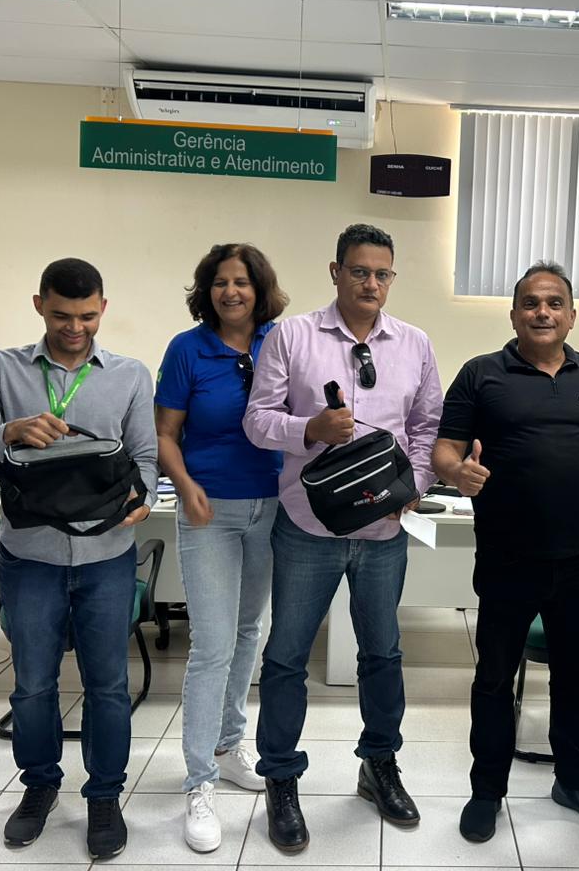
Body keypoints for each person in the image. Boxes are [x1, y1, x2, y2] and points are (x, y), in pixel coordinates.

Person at [0, 258, 157, 860]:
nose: (75, 327)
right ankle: (39, 787)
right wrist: (8, 432)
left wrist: (143, 497)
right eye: (62, 315)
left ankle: (104, 796)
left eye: (87, 316)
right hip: (30, 554)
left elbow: (145, 457)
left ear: (103, 309)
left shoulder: (129, 375)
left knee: (108, 686)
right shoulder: (1, 369)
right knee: (33, 684)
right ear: (39, 305)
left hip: (107, 554)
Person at [431, 260, 579, 844]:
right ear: (513, 315)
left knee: (576, 678)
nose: (543, 312)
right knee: (493, 680)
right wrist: (458, 473)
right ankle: (487, 790)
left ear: (572, 316)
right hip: (505, 560)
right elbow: (444, 449)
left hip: (577, 561)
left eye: (554, 304)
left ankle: (573, 781)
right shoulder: (481, 374)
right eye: (531, 303)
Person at [242, 223, 442, 854]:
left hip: (385, 528)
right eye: (359, 271)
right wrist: (310, 429)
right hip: (308, 525)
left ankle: (378, 765)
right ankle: (280, 778)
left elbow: (426, 426)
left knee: (382, 654)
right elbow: (256, 420)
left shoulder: (414, 343)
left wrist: (415, 484)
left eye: (382, 274)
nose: (371, 283)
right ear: (336, 272)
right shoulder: (293, 336)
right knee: (286, 657)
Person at [154, 244, 288, 852]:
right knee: (211, 645)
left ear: (260, 289)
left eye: (242, 282)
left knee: (248, 631)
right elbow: (165, 433)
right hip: (210, 509)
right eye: (219, 282)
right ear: (206, 291)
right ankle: (199, 782)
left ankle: (231, 746)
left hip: (274, 507)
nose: (230, 292)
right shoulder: (187, 349)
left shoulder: (281, 342)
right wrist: (186, 488)